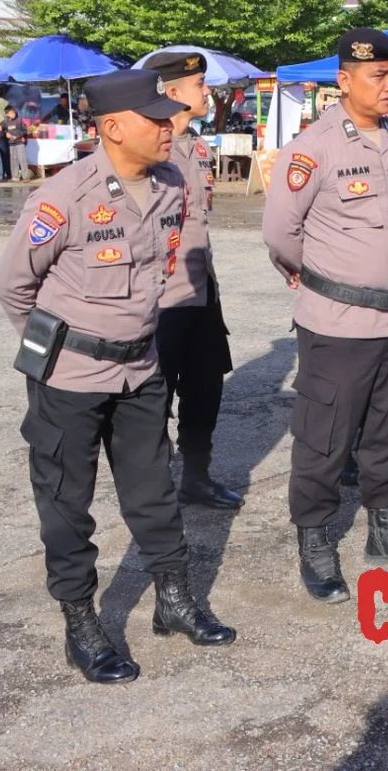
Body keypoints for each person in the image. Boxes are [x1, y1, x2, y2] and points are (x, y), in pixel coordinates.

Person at [0, 68, 235, 684]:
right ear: (112, 127)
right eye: (154, 118)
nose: (167, 125)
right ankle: (81, 621)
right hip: (69, 377)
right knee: (66, 503)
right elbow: (14, 286)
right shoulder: (64, 196)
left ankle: (173, 600)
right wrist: (65, 344)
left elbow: (162, 268)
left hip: (141, 367)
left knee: (154, 491)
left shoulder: (172, 182)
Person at [263, 27, 388, 606]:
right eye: (378, 76)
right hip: (337, 322)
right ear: (344, 81)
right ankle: (316, 542)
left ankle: (384, 530)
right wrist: (317, 276)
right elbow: (280, 233)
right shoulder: (313, 148)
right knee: (324, 439)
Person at [144, 51, 241, 511]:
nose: (207, 91)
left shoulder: (197, 146)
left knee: (205, 387)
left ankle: (196, 477)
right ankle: (154, 488)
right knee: (152, 396)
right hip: (161, 295)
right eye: (200, 84)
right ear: (172, 92)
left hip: (201, 288)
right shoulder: (148, 147)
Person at [3, 105, 30, 182]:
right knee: (13, 160)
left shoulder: (19, 120)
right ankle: (15, 176)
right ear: (7, 114)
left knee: (22, 159)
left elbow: (25, 130)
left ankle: (26, 177)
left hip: (19, 142)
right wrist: (6, 133)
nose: (13, 114)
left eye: (13, 112)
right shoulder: (6, 121)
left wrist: (17, 136)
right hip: (11, 143)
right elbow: (3, 129)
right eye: (11, 113)